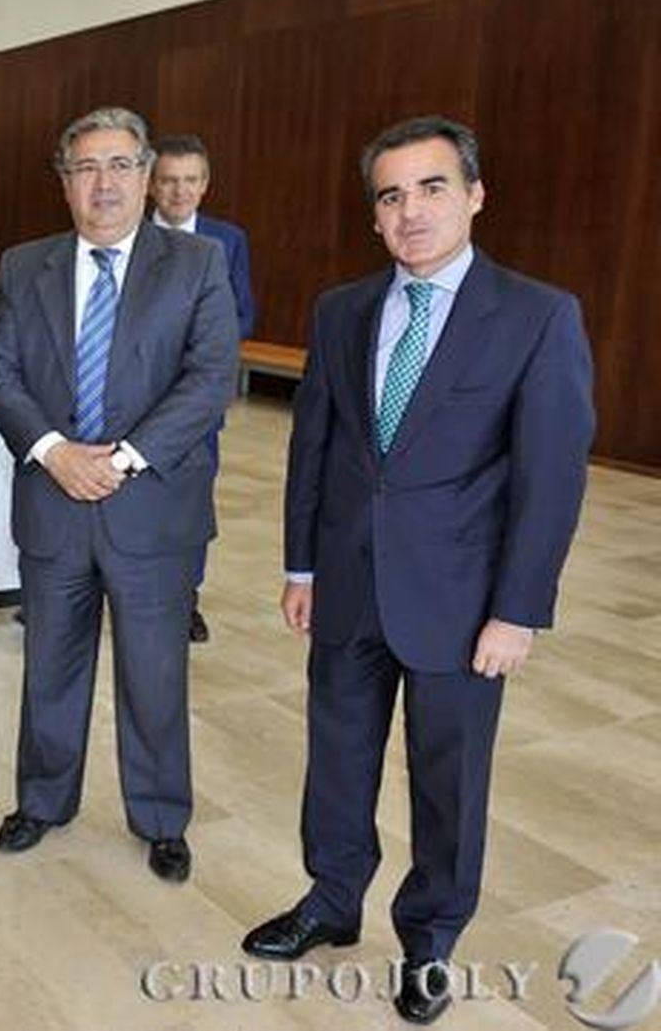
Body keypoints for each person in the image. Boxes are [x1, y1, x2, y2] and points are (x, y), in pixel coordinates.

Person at [240, 116, 594, 1025]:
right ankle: (330, 897)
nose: (412, 210)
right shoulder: (342, 309)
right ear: (375, 215)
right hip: (350, 587)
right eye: (391, 195)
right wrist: (301, 566)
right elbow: (313, 449)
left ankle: (431, 935)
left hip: (463, 603)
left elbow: (550, 478)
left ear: (475, 194)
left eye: (432, 187)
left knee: (448, 777)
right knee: (338, 756)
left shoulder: (536, 315)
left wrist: (518, 610)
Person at [0, 107, 238, 881]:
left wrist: (121, 459)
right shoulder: (25, 266)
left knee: (154, 673)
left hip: (152, 508)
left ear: (147, 173)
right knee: (50, 665)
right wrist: (55, 452)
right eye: (85, 167)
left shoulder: (196, 264)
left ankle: (161, 817)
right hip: (54, 504)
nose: (104, 183)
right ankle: (42, 802)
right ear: (63, 182)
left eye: (120, 165)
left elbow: (210, 378)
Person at [149, 133, 255, 643]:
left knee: (190, 501)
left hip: (194, 402)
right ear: (150, 184)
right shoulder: (121, 233)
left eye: (190, 180)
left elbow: (241, 315)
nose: (178, 192)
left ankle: (185, 598)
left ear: (205, 184)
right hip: (125, 399)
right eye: (168, 180)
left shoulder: (226, 240)